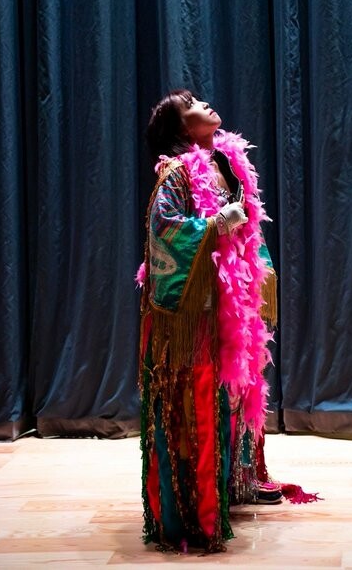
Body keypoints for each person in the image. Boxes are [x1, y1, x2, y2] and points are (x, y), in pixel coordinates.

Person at [136, 89, 281, 553]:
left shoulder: (228, 162)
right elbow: (164, 230)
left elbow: (248, 231)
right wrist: (216, 223)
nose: (204, 104)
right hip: (194, 312)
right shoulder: (176, 173)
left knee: (237, 391)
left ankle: (236, 482)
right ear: (183, 128)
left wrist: (258, 276)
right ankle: (194, 508)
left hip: (230, 304)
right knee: (199, 401)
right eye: (192, 104)